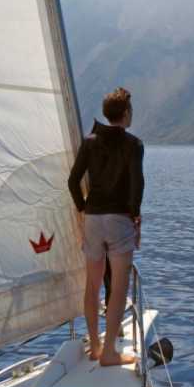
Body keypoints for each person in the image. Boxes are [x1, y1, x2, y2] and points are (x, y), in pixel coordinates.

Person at [67, 87, 144, 366]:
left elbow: (73, 181)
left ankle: (96, 346)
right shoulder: (133, 145)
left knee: (92, 285)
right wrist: (135, 217)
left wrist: (82, 209)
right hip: (118, 220)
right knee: (119, 287)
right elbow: (137, 185)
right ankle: (110, 353)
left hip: (92, 219)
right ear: (125, 114)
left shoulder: (90, 142)